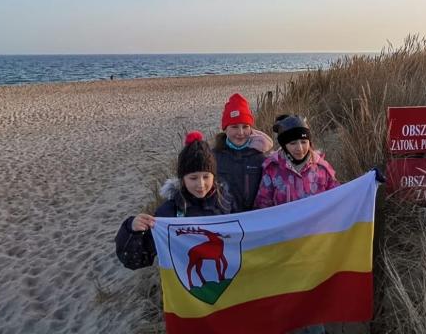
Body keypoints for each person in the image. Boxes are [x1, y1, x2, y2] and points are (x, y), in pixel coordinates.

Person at [115, 131, 237, 270]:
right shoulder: (169, 212)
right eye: (193, 178)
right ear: (182, 179)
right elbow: (135, 260)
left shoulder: (225, 202)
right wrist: (132, 230)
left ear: (213, 177)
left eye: (206, 177)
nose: (201, 184)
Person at [254, 114, 340, 209]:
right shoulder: (272, 169)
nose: (299, 148)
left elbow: (337, 199)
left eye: (303, 142)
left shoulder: (322, 168)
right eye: (293, 143)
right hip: (286, 223)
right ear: (284, 145)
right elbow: (263, 204)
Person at [212, 93, 273, 212]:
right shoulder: (213, 157)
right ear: (225, 129)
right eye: (234, 127)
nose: (240, 132)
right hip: (225, 219)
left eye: (245, 127)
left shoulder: (261, 158)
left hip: (253, 219)